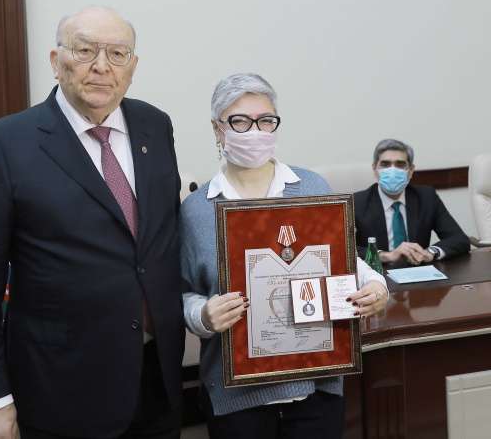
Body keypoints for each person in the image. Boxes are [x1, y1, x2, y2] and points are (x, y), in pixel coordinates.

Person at [0, 7, 184, 439]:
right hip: (62, 390)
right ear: (56, 61)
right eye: (85, 50)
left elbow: (160, 244)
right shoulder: (6, 144)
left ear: (132, 66)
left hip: (156, 380)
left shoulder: (155, 126)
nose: (102, 66)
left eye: (117, 53)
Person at [181, 73, 388, 438]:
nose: (255, 131)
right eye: (240, 121)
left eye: (265, 120)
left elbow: (341, 259)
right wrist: (203, 315)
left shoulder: (312, 188)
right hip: (237, 398)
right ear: (217, 129)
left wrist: (375, 284)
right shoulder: (197, 210)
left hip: (315, 386)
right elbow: (181, 292)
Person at [354, 139, 470, 267]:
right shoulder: (357, 202)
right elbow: (346, 250)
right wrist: (386, 256)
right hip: (377, 273)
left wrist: (430, 252)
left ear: (410, 171)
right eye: (385, 164)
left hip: (418, 271)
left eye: (400, 164)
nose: (392, 171)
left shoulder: (426, 197)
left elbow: (459, 239)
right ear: (375, 169)